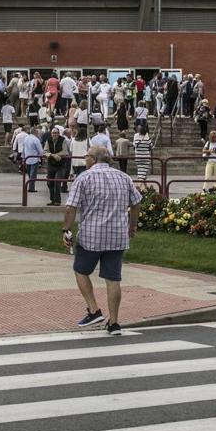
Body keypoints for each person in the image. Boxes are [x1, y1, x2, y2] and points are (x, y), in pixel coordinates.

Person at [62, 143, 142, 335]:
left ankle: (93, 309)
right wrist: (133, 225)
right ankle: (114, 323)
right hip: (117, 236)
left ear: (94, 159)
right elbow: (137, 202)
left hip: (92, 236)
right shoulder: (124, 177)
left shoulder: (84, 178)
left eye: (87, 156)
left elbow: (71, 207)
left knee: (80, 270)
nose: (85, 159)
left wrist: (65, 229)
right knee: (113, 278)